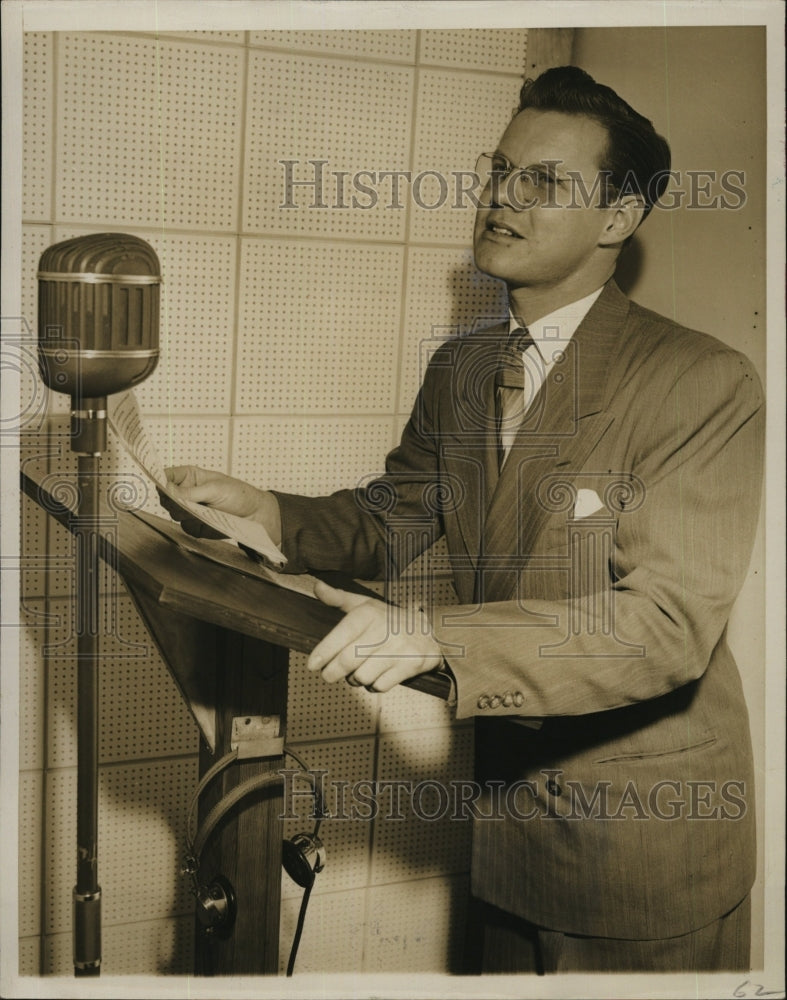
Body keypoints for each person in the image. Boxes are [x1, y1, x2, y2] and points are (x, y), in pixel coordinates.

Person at [163, 67, 764, 973]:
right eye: (498, 171)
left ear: (617, 220)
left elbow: (665, 626)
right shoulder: (464, 365)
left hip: (642, 856)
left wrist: (432, 635)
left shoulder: (700, 381)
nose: (500, 199)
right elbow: (392, 519)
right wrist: (269, 513)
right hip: (507, 831)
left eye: (544, 183)